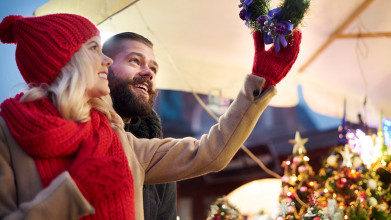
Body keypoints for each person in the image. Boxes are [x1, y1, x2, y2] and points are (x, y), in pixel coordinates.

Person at [0, 13, 300, 220]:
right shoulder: (7, 135)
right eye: (94, 48)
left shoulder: (118, 139)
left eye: (153, 68)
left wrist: (261, 82)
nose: (103, 58)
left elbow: (209, 153)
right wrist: (76, 191)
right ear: (67, 59)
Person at [103, 32, 177, 220]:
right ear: (103, 67)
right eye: (135, 61)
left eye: (153, 68)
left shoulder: (156, 155)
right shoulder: (75, 130)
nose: (149, 73)